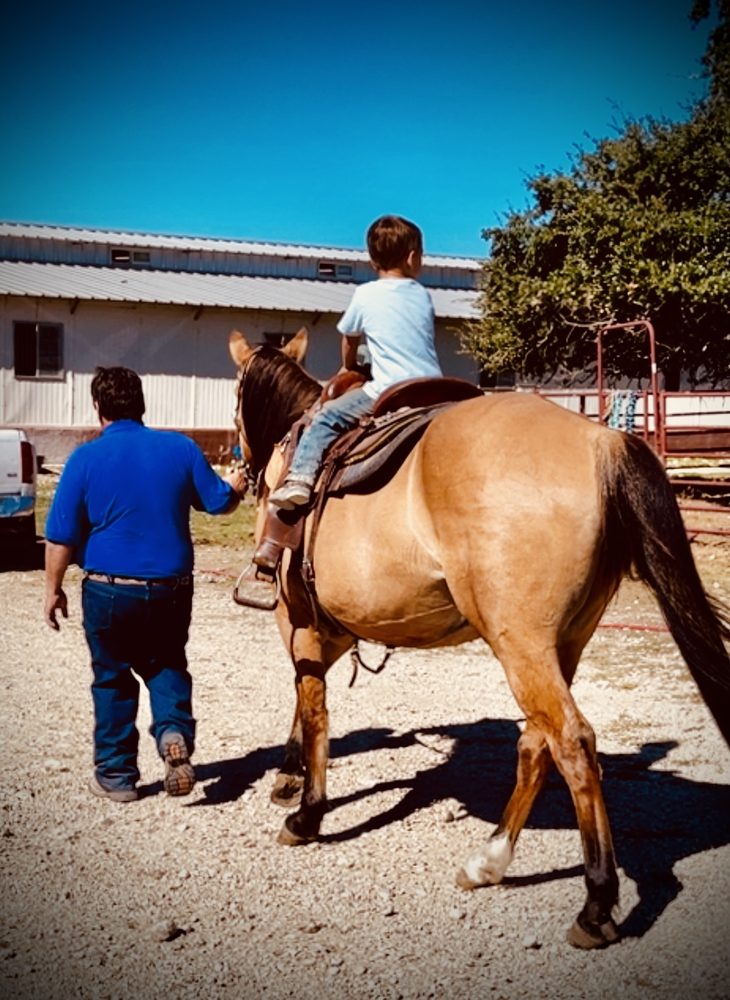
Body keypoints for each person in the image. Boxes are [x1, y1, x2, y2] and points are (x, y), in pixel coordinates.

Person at [44, 366, 247, 803]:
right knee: (166, 663)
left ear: (98, 408)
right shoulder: (180, 448)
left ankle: (117, 776)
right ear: (141, 404)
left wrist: (52, 589)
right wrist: (236, 485)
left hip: (108, 589)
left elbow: (61, 536)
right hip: (170, 588)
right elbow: (219, 503)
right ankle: (172, 730)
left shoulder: (84, 458)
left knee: (113, 677)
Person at [268, 214, 442, 510]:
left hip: (390, 388)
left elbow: (350, 338)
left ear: (373, 262)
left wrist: (349, 364)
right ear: (413, 258)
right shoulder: (423, 295)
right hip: (434, 385)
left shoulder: (365, 294)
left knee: (325, 417)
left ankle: (300, 478)